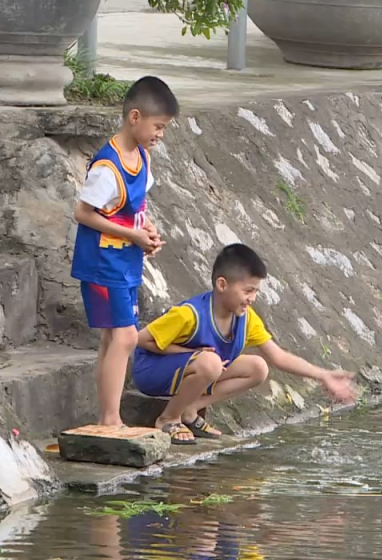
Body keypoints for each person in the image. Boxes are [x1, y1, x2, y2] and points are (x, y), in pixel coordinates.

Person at [133, 243, 357, 444]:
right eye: (248, 290)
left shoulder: (246, 318)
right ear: (222, 284)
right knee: (210, 362)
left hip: (197, 371)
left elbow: (278, 357)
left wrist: (324, 375)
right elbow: (140, 339)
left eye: (256, 291)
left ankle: (191, 407)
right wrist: (192, 353)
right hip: (153, 372)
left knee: (258, 368)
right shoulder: (189, 314)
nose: (252, 298)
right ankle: (168, 418)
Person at [70, 76, 179, 427]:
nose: (160, 134)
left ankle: (108, 416)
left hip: (124, 261)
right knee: (126, 336)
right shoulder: (106, 167)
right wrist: (131, 235)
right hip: (103, 263)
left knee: (112, 337)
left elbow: (134, 209)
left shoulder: (141, 158)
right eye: (158, 126)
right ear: (135, 117)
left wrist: (146, 231)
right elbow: (84, 214)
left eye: (164, 128)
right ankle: (111, 419)